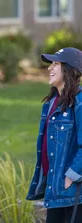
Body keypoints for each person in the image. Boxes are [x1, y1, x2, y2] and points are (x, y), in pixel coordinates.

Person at [27, 47, 82, 223]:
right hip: (55, 188)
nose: (50, 68)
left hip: (73, 191)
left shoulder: (79, 102)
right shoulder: (51, 104)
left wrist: (71, 176)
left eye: (55, 64)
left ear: (69, 69)